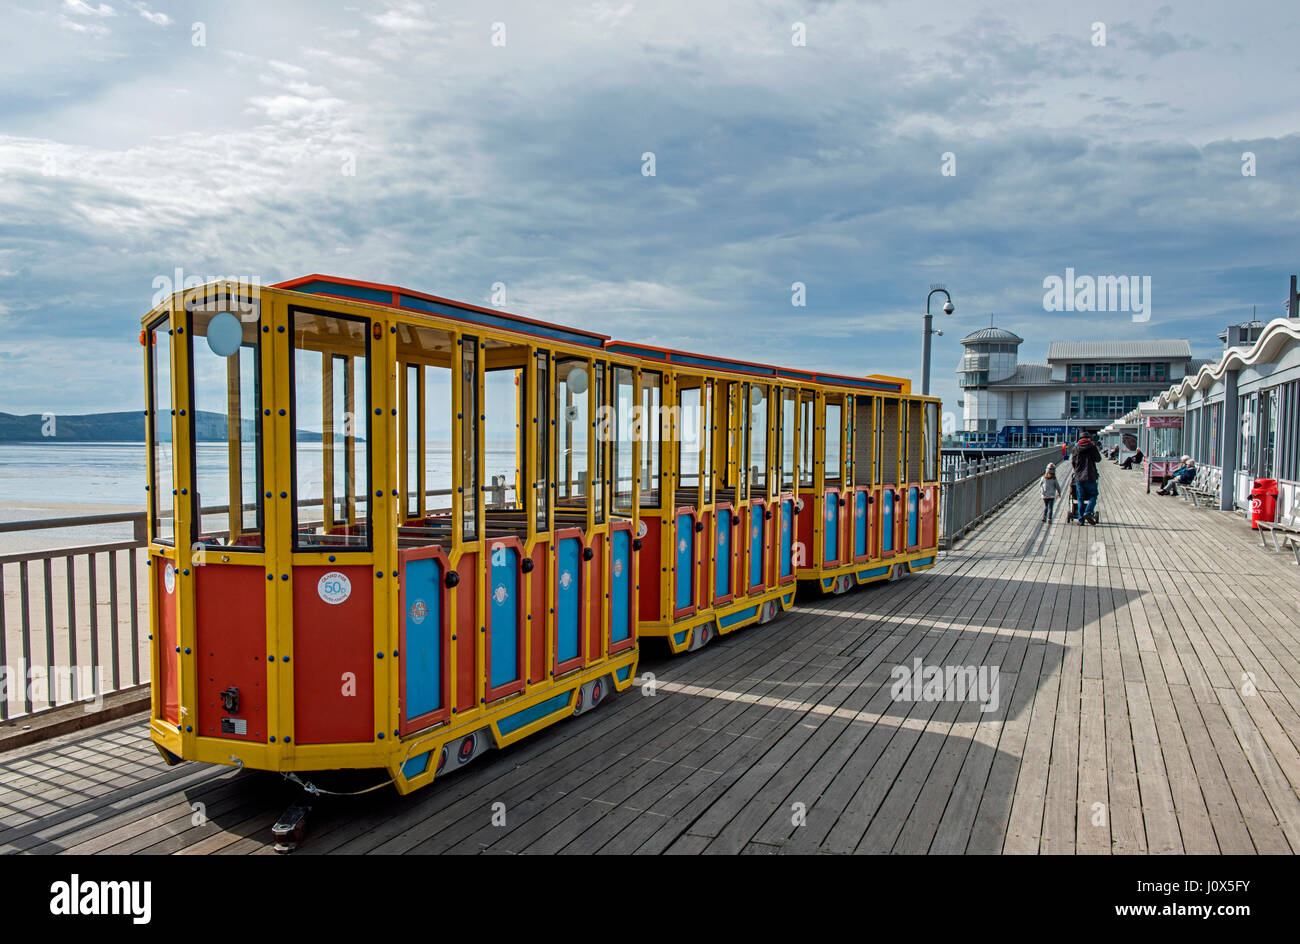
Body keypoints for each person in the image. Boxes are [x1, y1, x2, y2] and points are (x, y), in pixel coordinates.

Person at [1071, 433, 1102, 524]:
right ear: (1089, 438)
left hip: (1079, 478)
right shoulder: (1092, 447)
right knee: (1093, 495)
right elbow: (1098, 459)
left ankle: (1081, 520)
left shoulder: (1075, 449)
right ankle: (1088, 512)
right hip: (1090, 476)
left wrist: (1077, 471)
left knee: (1080, 498)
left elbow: (1073, 462)